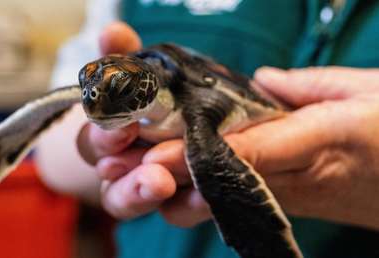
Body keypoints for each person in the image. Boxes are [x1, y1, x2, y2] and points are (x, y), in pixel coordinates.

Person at [36, 1, 379, 257]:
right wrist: (97, 151)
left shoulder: (196, 112)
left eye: (123, 93)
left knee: (209, 163)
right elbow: (53, 139)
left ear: (145, 90)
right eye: (89, 90)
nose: (94, 100)